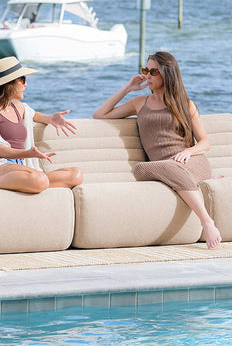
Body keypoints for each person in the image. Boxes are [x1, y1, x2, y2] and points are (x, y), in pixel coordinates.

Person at [93, 50, 222, 248]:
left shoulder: (186, 105)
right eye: (146, 70)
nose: (147, 76)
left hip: (191, 162)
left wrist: (188, 152)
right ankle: (195, 183)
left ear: (167, 74)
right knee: (140, 169)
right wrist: (128, 87)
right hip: (164, 166)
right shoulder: (139, 103)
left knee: (172, 167)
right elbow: (100, 115)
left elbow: (205, 143)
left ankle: (207, 221)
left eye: (153, 72)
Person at [0, 56, 83, 194]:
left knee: (76, 174)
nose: (25, 84)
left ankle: (24, 183)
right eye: (22, 80)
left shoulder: (18, 107)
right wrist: (27, 153)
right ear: (8, 83)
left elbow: (36, 116)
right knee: (40, 180)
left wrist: (52, 118)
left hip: (18, 166)